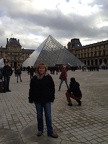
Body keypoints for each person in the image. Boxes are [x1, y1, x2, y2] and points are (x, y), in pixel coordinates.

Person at [28, 63, 58, 138]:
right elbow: (31, 89)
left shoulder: (49, 77)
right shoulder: (34, 78)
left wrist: (52, 97)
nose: (41, 70)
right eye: (40, 68)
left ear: (45, 69)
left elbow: (52, 88)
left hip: (47, 99)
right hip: (37, 100)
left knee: (48, 116)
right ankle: (40, 130)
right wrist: (31, 98)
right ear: (38, 69)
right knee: (39, 116)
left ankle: (50, 131)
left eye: (43, 68)